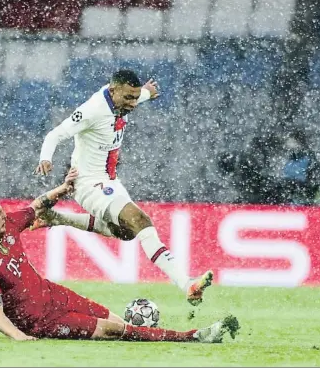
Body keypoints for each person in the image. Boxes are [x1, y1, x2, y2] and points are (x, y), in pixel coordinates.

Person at [0, 169, 240, 342]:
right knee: (112, 331)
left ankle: (159, 335)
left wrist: (62, 189)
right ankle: (193, 336)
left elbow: (36, 206)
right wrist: (18, 336)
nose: (5, 215)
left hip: (52, 294)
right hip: (38, 319)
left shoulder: (9, 226)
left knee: (116, 321)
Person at [34, 70, 212, 306]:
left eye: (135, 98)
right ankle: (186, 283)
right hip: (88, 183)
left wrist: (148, 91)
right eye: (128, 98)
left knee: (127, 232)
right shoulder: (92, 110)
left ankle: (55, 217)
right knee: (141, 221)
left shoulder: (128, 97)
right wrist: (46, 158)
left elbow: (144, 94)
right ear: (112, 90)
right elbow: (55, 134)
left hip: (110, 181)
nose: (133, 103)